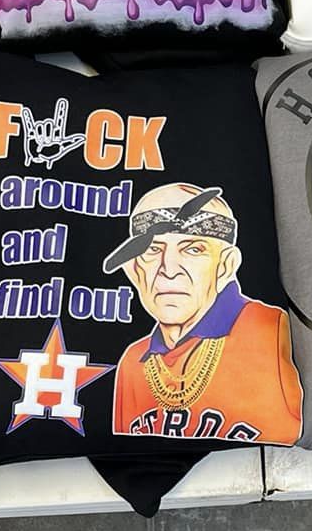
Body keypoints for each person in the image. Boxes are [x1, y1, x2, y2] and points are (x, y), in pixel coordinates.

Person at [104, 183, 301, 442]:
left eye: (193, 249)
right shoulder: (133, 362)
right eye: (153, 249)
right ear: (133, 269)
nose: (169, 269)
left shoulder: (274, 328)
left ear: (226, 265)